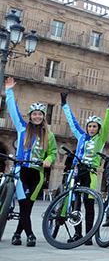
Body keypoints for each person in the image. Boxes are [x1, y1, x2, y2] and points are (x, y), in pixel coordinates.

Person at [4, 77, 57, 247]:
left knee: (29, 205)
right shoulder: (22, 128)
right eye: (34, 114)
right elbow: (13, 110)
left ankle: (17, 234)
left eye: (40, 114)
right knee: (24, 204)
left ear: (43, 117)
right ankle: (30, 235)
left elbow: (53, 153)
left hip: (37, 173)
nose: (37, 116)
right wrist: (9, 91)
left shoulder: (49, 135)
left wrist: (48, 160)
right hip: (21, 171)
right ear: (30, 116)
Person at [61, 91, 109, 245]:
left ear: (98, 128)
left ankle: (88, 235)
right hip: (77, 171)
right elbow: (72, 122)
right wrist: (64, 105)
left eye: (94, 126)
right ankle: (77, 234)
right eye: (89, 126)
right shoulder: (81, 136)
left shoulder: (101, 137)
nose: (92, 129)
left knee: (89, 204)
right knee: (75, 203)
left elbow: (106, 122)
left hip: (91, 173)